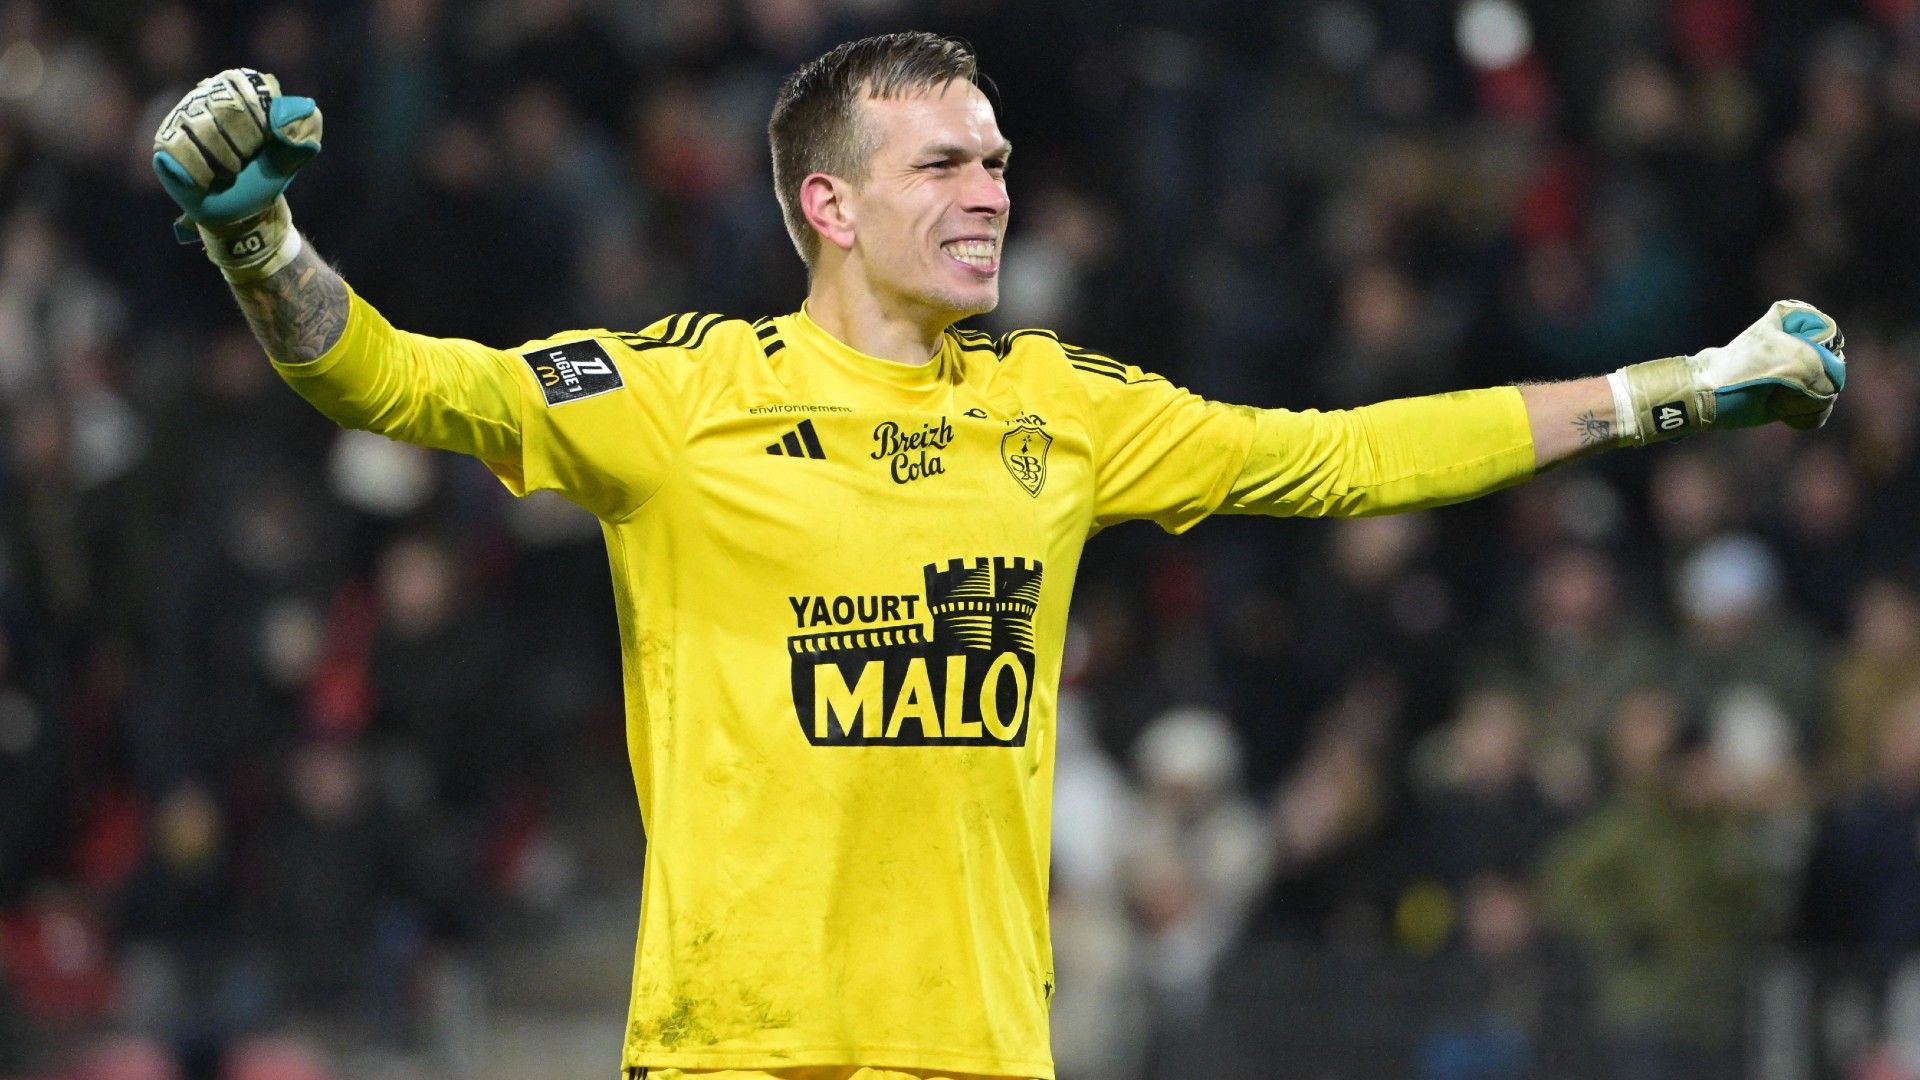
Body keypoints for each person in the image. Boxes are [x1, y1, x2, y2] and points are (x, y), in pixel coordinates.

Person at [148, 34, 1846, 1080]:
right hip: (740, 1057)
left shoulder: (1063, 408)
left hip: (979, 1055)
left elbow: (1340, 457)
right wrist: (257, 237)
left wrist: (1678, 389)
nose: (991, 193)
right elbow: (393, 379)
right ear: (829, 205)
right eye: (945, 163)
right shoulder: (680, 397)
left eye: (1000, 163)